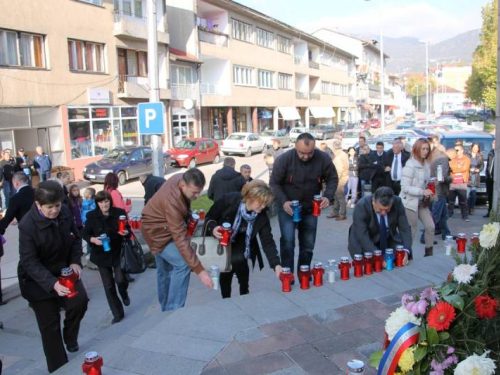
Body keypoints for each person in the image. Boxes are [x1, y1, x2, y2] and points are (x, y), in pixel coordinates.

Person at [18, 180, 88, 373]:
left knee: (79, 301)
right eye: (50, 207)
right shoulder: (27, 225)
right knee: (50, 328)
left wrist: (75, 261)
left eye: (57, 205)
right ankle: (60, 368)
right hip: (37, 280)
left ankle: (71, 336)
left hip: (64, 269)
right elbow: (29, 261)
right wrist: (52, 284)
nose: (55, 211)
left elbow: (75, 237)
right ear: (38, 205)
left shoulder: (65, 212)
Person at [141, 169, 213, 311]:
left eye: (199, 192)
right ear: (183, 185)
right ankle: (173, 311)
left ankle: (165, 308)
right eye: (194, 192)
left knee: (164, 271)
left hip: (158, 227)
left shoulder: (181, 178)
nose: (197, 196)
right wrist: (199, 270)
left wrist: (188, 214)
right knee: (182, 265)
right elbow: (180, 239)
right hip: (157, 235)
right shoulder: (173, 202)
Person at [270, 133, 338, 276]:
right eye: (302, 153)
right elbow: (274, 183)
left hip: (310, 209)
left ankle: (304, 274)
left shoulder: (322, 158)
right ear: (295, 147)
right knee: (288, 242)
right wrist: (283, 201)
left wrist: (327, 196)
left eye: (310, 153)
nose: (306, 156)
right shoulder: (284, 159)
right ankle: (288, 275)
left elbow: (332, 178)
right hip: (288, 208)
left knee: (308, 244)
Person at [206, 180, 282, 298]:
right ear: (250, 198)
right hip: (224, 243)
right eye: (260, 203)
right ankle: (226, 298)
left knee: (241, 267)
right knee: (226, 272)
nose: (263, 207)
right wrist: (213, 228)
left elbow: (267, 241)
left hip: (243, 244)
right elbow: (210, 216)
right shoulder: (229, 200)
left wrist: (276, 264)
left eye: (265, 203)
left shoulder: (261, 216)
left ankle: (245, 295)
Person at [83, 190, 131, 324]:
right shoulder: (92, 216)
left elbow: (127, 230)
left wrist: (126, 232)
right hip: (101, 255)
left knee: (120, 279)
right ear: (97, 203)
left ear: (110, 201)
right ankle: (117, 313)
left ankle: (124, 292)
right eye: (101, 202)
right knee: (108, 285)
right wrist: (93, 240)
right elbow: (85, 233)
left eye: (106, 201)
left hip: (117, 251)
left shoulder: (119, 213)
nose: (104, 205)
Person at [348, 186, 412, 263]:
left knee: (400, 258)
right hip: (365, 241)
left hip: (388, 238)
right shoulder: (361, 206)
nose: (383, 213)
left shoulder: (397, 202)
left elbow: (404, 228)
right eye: (380, 209)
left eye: (387, 209)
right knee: (370, 267)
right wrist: (378, 257)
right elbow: (362, 236)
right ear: (373, 201)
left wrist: (405, 250)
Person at [0, 172, 34, 305]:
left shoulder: (16, 198)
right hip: (44, 232)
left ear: (15, 183)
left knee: (27, 265)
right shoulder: (37, 192)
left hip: (28, 235)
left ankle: (32, 297)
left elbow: (7, 218)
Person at [400, 138, 436, 257]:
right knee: (412, 230)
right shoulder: (410, 165)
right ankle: (406, 254)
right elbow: (404, 187)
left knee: (430, 226)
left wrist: (431, 185)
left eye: (427, 149)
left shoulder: (426, 164)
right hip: (409, 202)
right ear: (417, 149)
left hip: (421, 201)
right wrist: (422, 191)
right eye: (423, 149)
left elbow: (424, 181)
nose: (425, 151)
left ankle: (429, 253)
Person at [420, 147, 453, 243]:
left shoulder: (438, 160)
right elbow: (442, 178)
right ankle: (425, 237)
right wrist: (451, 179)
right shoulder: (444, 161)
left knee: (443, 215)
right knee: (435, 215)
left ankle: (446, 234)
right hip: (439, 192)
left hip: (436, 190)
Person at [448, 144, 471, 222]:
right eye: (455, 150)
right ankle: (449, 214)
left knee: (463, 201)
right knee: (451, 201)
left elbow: (465, 168)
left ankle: (465, 216)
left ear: (462, 150)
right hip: (453, 183)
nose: (456, 152)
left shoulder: (466, 159)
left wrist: (455, 169)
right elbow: (450, 167)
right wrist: (458, 168)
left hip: (462, 183)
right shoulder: (452, 159)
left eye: (457, 150)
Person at [328, 140, 349, 220]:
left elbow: (339, 170)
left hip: (340, 179)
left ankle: (342, 214)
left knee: (340, 197)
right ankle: (335, 212)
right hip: (342, 178)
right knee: (336, 196)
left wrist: (335, 180)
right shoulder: (343, 154)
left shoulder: (339, 156)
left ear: (334, 148)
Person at [466, 142, 484, 215]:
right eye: (474, 147)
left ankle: (472, 208)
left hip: (475, 176)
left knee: (473, 194)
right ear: (472, 147)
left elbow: (482, 165)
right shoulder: (467, 154)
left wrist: (479, 170)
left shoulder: (480, 155)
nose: (475, 149)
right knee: (467, 194)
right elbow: (465, 163)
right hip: (468, 175)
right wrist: (469, 169)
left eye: (477, 148)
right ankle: (466, 208)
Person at [484, 140, 495, 218]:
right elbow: (488, 165)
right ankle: (490, 211)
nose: (493, 145)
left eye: (495, 143)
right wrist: (487, 174)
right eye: (493, 143)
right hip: (489, 178)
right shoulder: (491, 153)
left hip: (495, 177)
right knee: (490, 196)